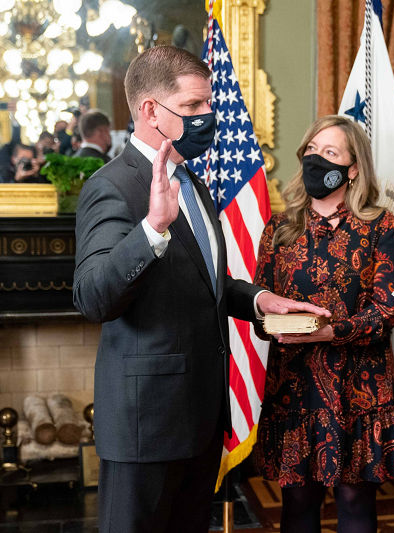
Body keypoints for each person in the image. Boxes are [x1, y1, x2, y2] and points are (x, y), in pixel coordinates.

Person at [72, 45, 330, 533]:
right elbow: (91, 297)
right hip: (145, 425)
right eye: (192, 107)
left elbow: (204, 281)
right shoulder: (111, 186)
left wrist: (258, 300)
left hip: (202, 418)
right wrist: (150, 229)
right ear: (150, 110)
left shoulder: (191, 182)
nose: (207, 116)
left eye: (207, 105)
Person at [252, 115, 394, 533]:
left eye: (330, 153)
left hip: (358, 388)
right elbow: (258, 306)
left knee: (355, 498)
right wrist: (273, 323)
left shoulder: (381, 226)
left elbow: (386, 310)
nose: (316, 159)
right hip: (295, 387)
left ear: (353, 168)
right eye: (311, 150)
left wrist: (330, 331)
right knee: (298, 501)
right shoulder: (279, 228)